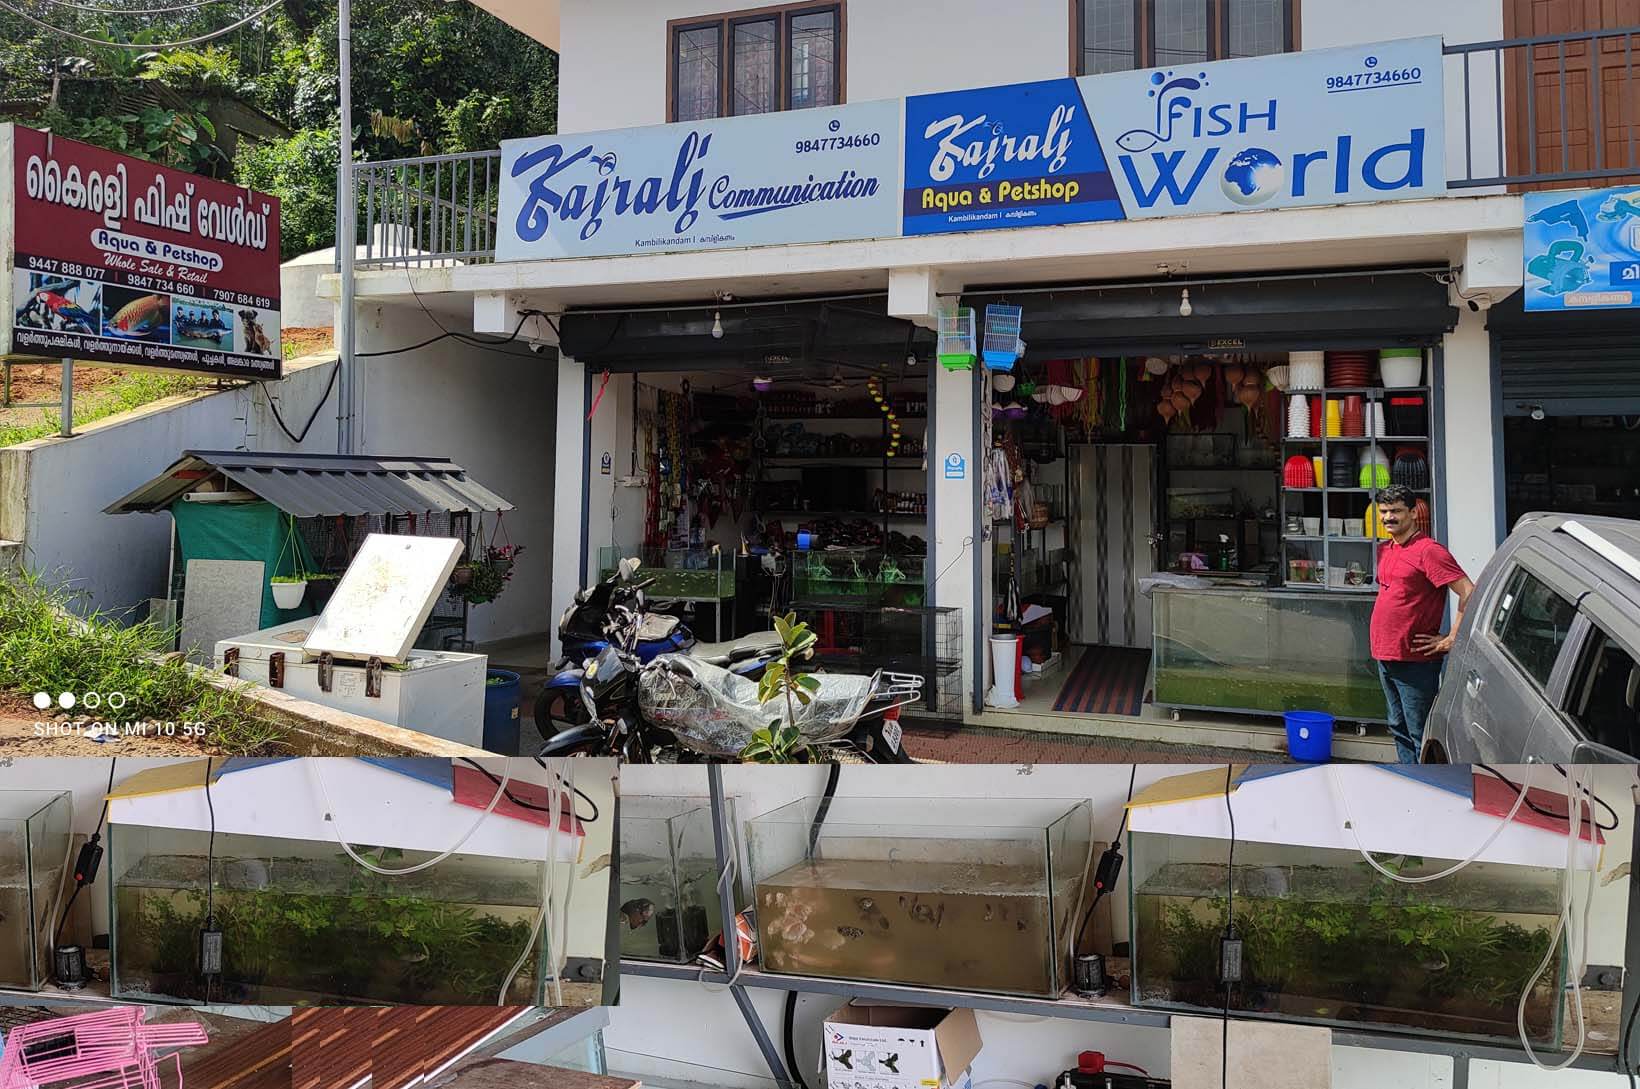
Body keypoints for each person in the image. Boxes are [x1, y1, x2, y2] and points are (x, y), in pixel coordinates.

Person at [1369, 484, 1473, 763]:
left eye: (1396, 511)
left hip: (1415, 659)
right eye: (1384, 511)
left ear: (1413, 513)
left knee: (1420, 732)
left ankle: (1429, 781)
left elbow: (1468, 591)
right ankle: (1409, 778)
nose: (1388, 517)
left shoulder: (1429, 551)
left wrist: (1452, 638)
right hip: (1385, 653)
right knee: (1397, 726)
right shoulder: (1385, 549)